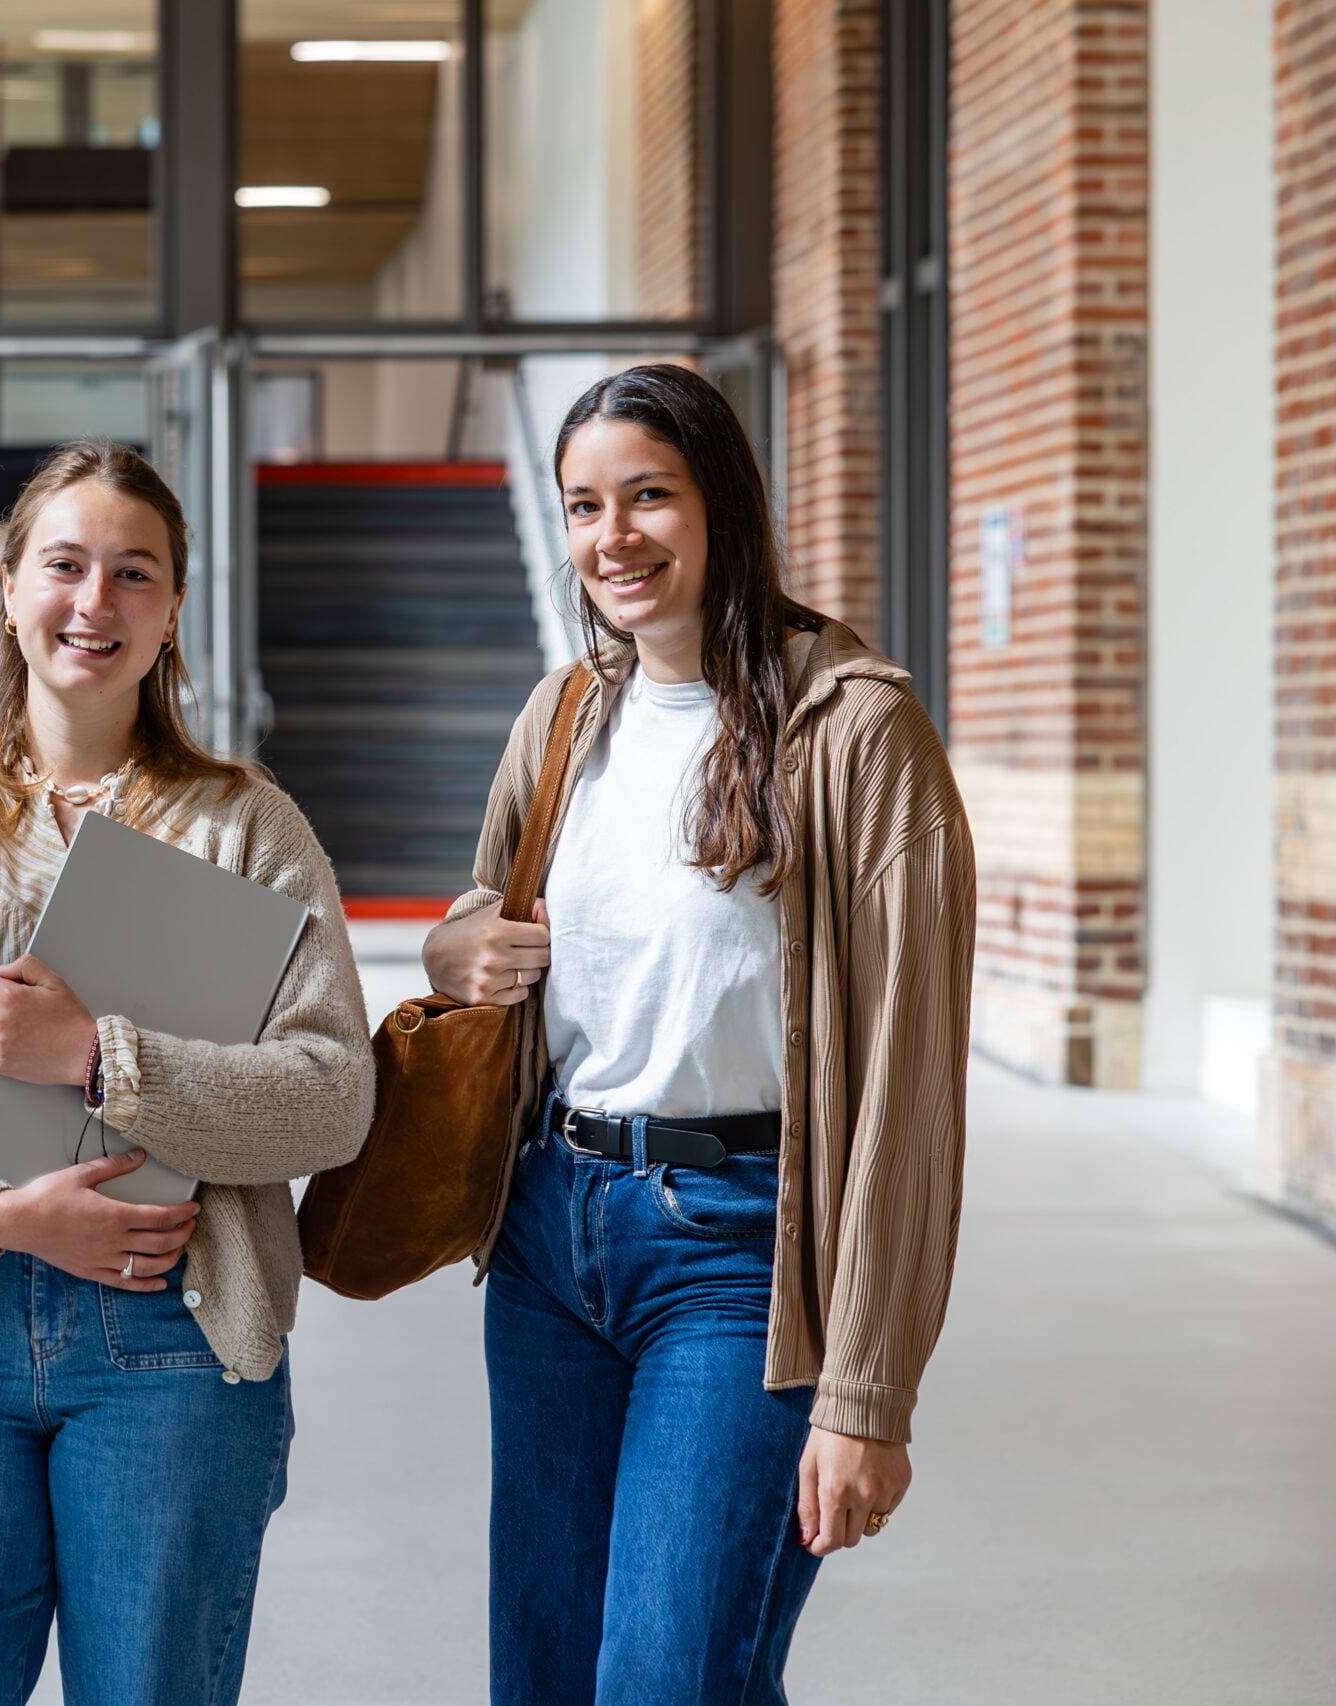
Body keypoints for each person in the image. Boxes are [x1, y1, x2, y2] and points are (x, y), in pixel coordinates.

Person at [422, 363, 976, 1704]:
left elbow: (910, 1083)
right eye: (584, 505)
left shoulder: (857, 730)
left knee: (668, 1673)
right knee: (547, 1671)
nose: (614, 535)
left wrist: (867, 1392)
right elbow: (477, 913)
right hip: (552, 1235)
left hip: (740, 1256)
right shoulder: (563, 719)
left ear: (722, 501)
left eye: (649, 495)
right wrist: (453, 945)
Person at [0, 440, 376, 1705]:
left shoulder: (248, 827)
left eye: (134, 573)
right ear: (6, 587)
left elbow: (333, 1093)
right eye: (63, 565)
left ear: (172, 610)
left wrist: (100, 1057)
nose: (93, 602)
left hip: (172, 1348)